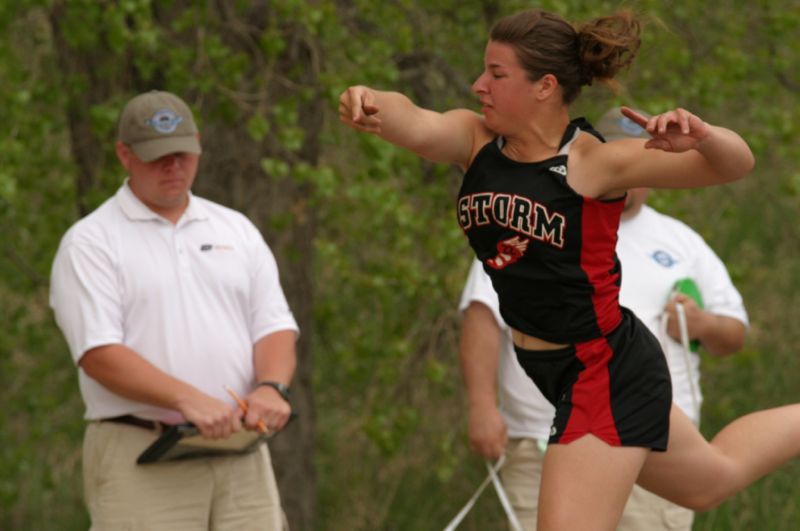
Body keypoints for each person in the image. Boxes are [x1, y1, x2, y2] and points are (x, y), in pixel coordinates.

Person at [339, 8, 800, 530]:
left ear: (545, 87)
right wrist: (370, 98)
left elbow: (736, 164)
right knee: (711, 479)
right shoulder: (473, 142)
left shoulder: (592, 162)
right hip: (556, 369)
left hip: (602, 368)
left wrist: (704, 136)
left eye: (496, 73)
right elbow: (413, 119)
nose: (478, 85)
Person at [458, 106, 750, 531]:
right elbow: (482, 315)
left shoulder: (681, 242)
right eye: (610, 151)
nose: (621, 164)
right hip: (540, 428)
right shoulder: (524, 212)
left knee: (714, 478)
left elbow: (735, 331)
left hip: (639, 409)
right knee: (715, 478)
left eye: (633, 155)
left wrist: (701, 324)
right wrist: (482, 406)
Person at [50, 90, 298, 530]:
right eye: (157, 156)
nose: (173, 166)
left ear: (198, 145)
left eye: (182, 153)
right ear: (124, 155)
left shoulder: (235, 229)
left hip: (240, 453)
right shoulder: (91, 242)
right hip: (142, 452)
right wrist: (188, 400)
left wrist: (271, 387)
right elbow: (99, 354)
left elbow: (274, 326)